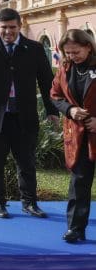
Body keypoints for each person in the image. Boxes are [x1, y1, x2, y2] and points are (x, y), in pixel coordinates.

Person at [0, 8, 58, 219]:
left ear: (20, 26)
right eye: (4, 27)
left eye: (12, 27)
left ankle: (30, 203)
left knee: (26, 162)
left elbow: (46, 82)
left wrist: (52, 111)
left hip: (24, 117)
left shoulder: (34, 49)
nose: (8, 32)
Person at [50, 29, 96, 243]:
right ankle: (75, 228)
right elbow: (55, 95)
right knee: (78, 183)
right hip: (78, 137)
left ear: (88, 47)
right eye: (67, 52)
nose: (71, 56)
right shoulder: (65, 68)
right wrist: (69, 110)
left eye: (76, 52)